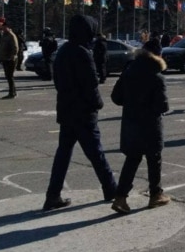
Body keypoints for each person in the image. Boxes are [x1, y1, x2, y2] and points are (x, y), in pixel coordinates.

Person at [43, 14, 117, 211]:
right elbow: (90, 85)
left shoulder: (64, 50)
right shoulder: (82, 53)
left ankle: (53, 194)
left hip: (66, 109)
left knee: (63, 154)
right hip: (83, 112)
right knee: (96, 153)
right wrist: (98, 104)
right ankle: (110, 188)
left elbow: (57, 80)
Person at [109, 40, 171, 214]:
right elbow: (162, 106)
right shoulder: (156, 76)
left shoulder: (129, 71)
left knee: (132, 159)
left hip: (131, 122)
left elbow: (116, 97)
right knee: (154, 159)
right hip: (150, 124)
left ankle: (120, 197)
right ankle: (155, 194)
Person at [0, 22, 19, 99]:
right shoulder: (4, 35)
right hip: (5, 58)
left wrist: (13, 56)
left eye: (4, 27)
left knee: (10, 76)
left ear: (7, 27)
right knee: (8, 76)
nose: (3, 29)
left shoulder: (11, 35)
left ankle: (12, 93)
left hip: (10, 59)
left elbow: (15, 47)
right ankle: (13, 91)